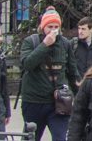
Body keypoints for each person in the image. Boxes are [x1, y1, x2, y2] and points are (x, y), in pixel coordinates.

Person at [21, 9, 75, 141]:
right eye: (50, 27)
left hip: (59, 102)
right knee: (31, 137)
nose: (53, 30)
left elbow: (72, 71)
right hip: (34, 101)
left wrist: (75, 93)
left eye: (56, 27)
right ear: (43, 27)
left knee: (60, 137)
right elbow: (27, 64)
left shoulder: (65, 43)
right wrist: (45, 45)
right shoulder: (31, 41)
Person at [69, 18, 92, 90]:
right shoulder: (73, 43)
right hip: (75, 87)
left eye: (83, 29)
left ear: (91, 29)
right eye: (79, 28)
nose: (80, 31)